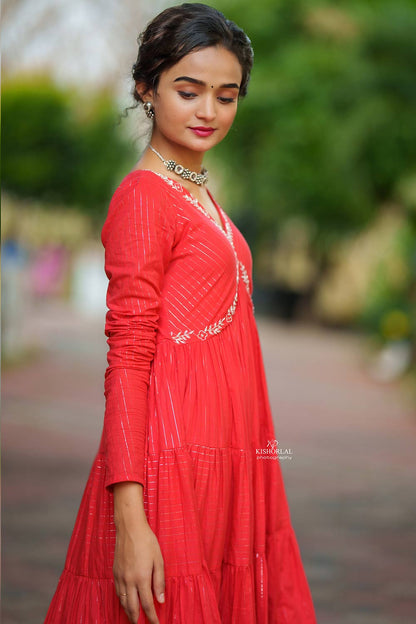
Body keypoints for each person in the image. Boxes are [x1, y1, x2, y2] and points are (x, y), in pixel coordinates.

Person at [44, 3, 317, 623]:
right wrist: (132, 520)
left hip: (226, 457)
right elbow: (129, 359)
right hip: (170, 465)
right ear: (147, 89)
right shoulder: (144, 198)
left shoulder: (194, 191)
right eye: (188, 91)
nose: (208, 111)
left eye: (226, 95)